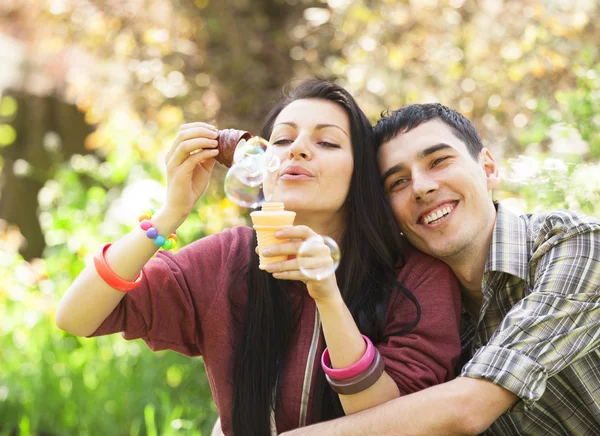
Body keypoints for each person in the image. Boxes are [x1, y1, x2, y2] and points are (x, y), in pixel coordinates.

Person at [55, 82, 462, 436]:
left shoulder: (417, 277)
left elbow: (387, 421)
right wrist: (169, 213)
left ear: (361, 174)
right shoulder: (227, 258)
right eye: (283, 140)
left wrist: (327, 296)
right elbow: (76, 317)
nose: (298, 149)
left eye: (326, 142)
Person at [282, 103, 600, 436]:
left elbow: (470, 407)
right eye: (398, 182)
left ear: (488, 168)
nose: (421, 187)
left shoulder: (574, 244)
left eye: (439, 161)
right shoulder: (414, 304)